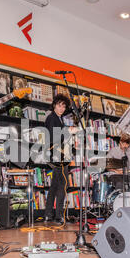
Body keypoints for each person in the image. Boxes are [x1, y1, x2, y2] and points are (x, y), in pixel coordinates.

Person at [44, 94, 77, 224]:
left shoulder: (58, 118)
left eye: (64, 106)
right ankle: (59, 216)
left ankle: (48, 214)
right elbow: (54, 137)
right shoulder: (53, 118)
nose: (62, 108)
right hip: (57, 156)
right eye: (59, 105)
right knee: (63, 185)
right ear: (54, 105)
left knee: (54, 186)